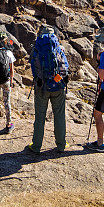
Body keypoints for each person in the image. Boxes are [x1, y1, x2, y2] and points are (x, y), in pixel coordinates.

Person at [26, 25, 69, 153]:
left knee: (40, 117)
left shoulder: (37, 48)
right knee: (59, 116)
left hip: (41, 87)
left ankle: (36, 146)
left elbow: (33, 66)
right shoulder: (59, 48)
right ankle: (61, 145)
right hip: (58, 86)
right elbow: (65, 66)